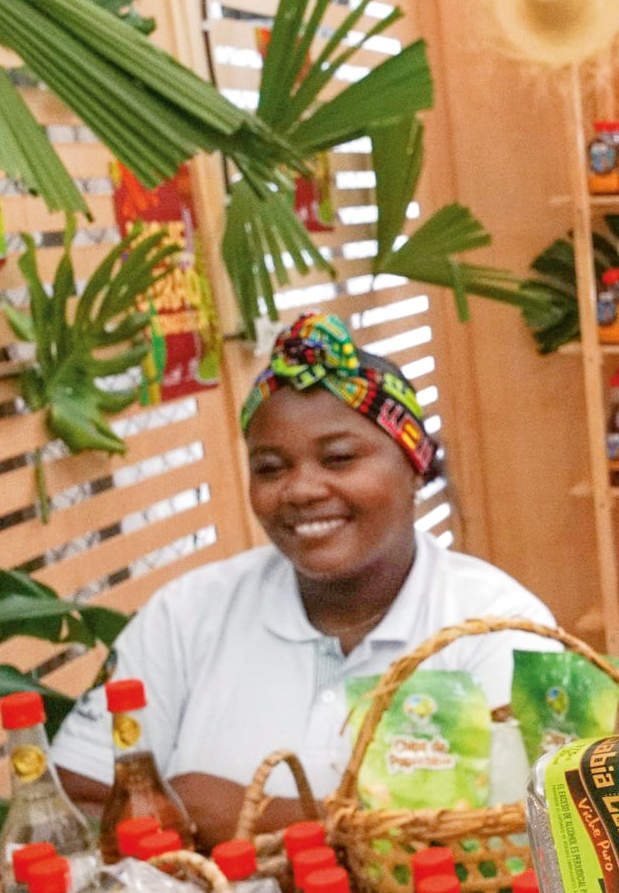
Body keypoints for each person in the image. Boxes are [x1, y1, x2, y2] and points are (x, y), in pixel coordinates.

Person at [50, 314, 554, 844]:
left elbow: (536, 830)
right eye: (270, 467)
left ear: (414, 466)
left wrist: (258, 816)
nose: (301, 490)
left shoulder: (501, 627)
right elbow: (76, 801)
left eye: (338, 458)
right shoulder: (187, 615)